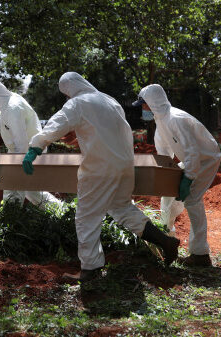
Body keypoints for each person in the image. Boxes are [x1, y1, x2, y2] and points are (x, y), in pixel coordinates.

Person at [22, 72, 180, 281]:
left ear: (69, 90)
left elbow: (55, 126)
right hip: (124, 165)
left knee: (86, 216)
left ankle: (90, 269)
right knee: (122, 208)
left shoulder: (77, 103)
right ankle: (166, 242)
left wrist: (34, 147)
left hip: (100, 169)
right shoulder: (109, 100)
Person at [134, 84, 221, 267]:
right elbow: (165, 155)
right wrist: (166, 176)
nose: (142, 108)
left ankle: (200, 254)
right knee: (167, 194)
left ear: (152, 103)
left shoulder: (176, 119)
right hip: (193, 159)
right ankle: (167, 237)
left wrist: (187, 179)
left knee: (192, 199)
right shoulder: (161, 121)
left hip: (207, 159)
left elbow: (193, 152)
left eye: (143, 104)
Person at [0, 79, 61, 208]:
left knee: (13, 188)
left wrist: (16, 164)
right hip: (26, 150)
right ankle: (61, 210)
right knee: (31, 190)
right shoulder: (10, 100)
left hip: (27, 153)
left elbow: (21, 142)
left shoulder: (12, 108)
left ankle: (10, 220)